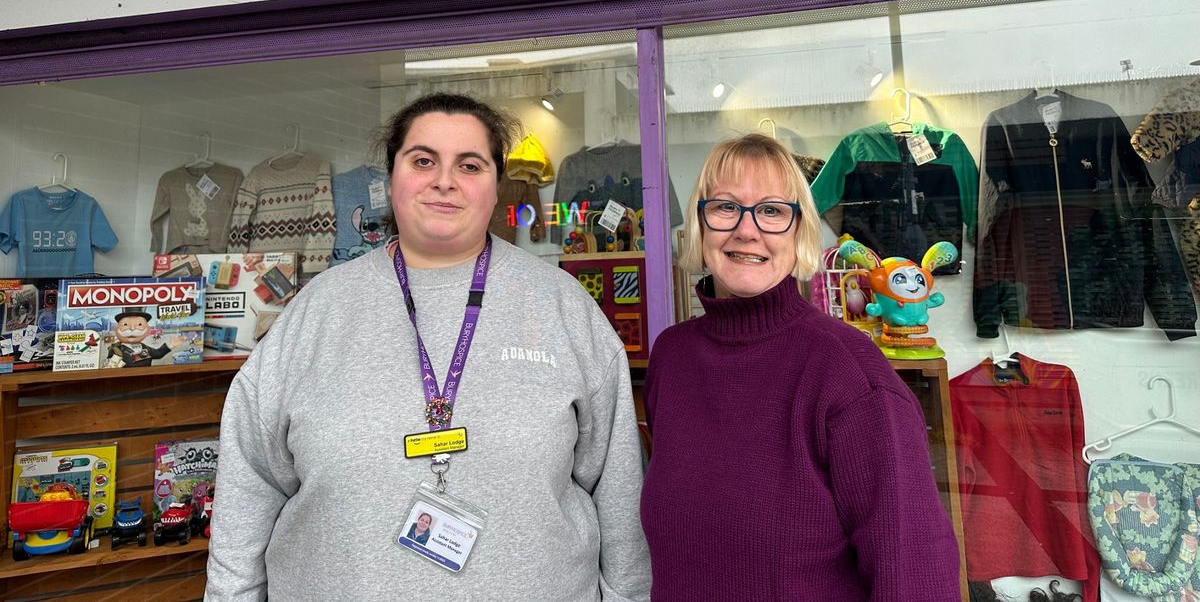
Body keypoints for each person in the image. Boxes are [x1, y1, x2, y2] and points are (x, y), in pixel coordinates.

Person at [206, 93, 650, 601]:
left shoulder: (560, 305)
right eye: (423, 160)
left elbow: (619, 493)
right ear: (391, 178)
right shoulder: (317, 309)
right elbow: (249, 484)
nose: (445, 180)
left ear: (496, 183)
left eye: (470, 164)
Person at [640, 133, 960, 601]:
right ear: (700, 225)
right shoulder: (671, 358)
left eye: (772, 211)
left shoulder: (850, 375)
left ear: (799, 231)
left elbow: (914, 573)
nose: (746, 230)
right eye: (725, 207)